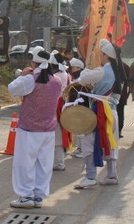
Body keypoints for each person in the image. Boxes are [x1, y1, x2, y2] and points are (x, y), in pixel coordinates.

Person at [7, 46, 62, 208]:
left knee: (24, 163)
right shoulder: (57, 81)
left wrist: (23, 74)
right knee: (43, 164)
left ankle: (25, 195)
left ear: (33, 63)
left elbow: (12, 89)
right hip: (48, 129)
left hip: (29, 128)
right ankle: (39, 195)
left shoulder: (30, 80)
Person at [74, 39, 120, 189]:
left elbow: (82, 79)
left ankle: (90, 177)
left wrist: (86, 71)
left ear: (106, 55)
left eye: (101, 53)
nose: (100, 55)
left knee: (88, 142)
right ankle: (111, 175)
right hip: (112, 112)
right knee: (111, 143)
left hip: (100, 112)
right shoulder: (117, 71)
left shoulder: (102, 71)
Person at [51, 52, 71, 172]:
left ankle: (59, 162)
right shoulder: (65, 74)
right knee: (59, 135)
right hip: (63, 106)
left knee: (56, 136)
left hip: (56, 107)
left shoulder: (56, 76)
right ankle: (59, 161)